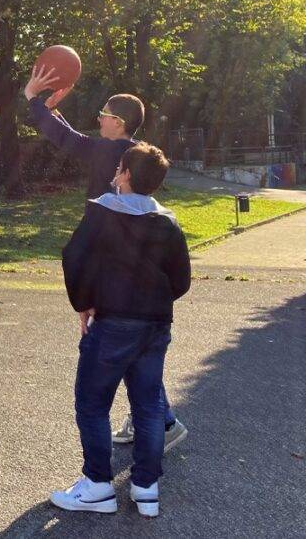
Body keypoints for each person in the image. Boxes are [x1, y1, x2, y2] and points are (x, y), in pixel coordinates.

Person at [23, 65, 187, 452]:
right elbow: (76, 138)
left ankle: (162, 421)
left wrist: (33, 100)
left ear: (119, 122)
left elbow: (68, 141)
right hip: (138, 269)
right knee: (137, 345)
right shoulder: (128, 152)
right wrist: (52, 110)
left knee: (117, 345)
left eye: (104, 114)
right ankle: (158, 420)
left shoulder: (111, 152)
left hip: (114, 264)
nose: (98, 118)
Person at [52, 143, 191, 517]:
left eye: (119, 167)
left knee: (93, 403)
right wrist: (155, 301)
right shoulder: (168, 220)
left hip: (114, 321)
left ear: (126, 174)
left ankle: (98, 486)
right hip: (155, 325)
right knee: (147, 407)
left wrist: (84, 301)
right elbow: (181, 280)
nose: (115, 172)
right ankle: (146, 486)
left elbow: (73, 255)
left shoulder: (102, 211)